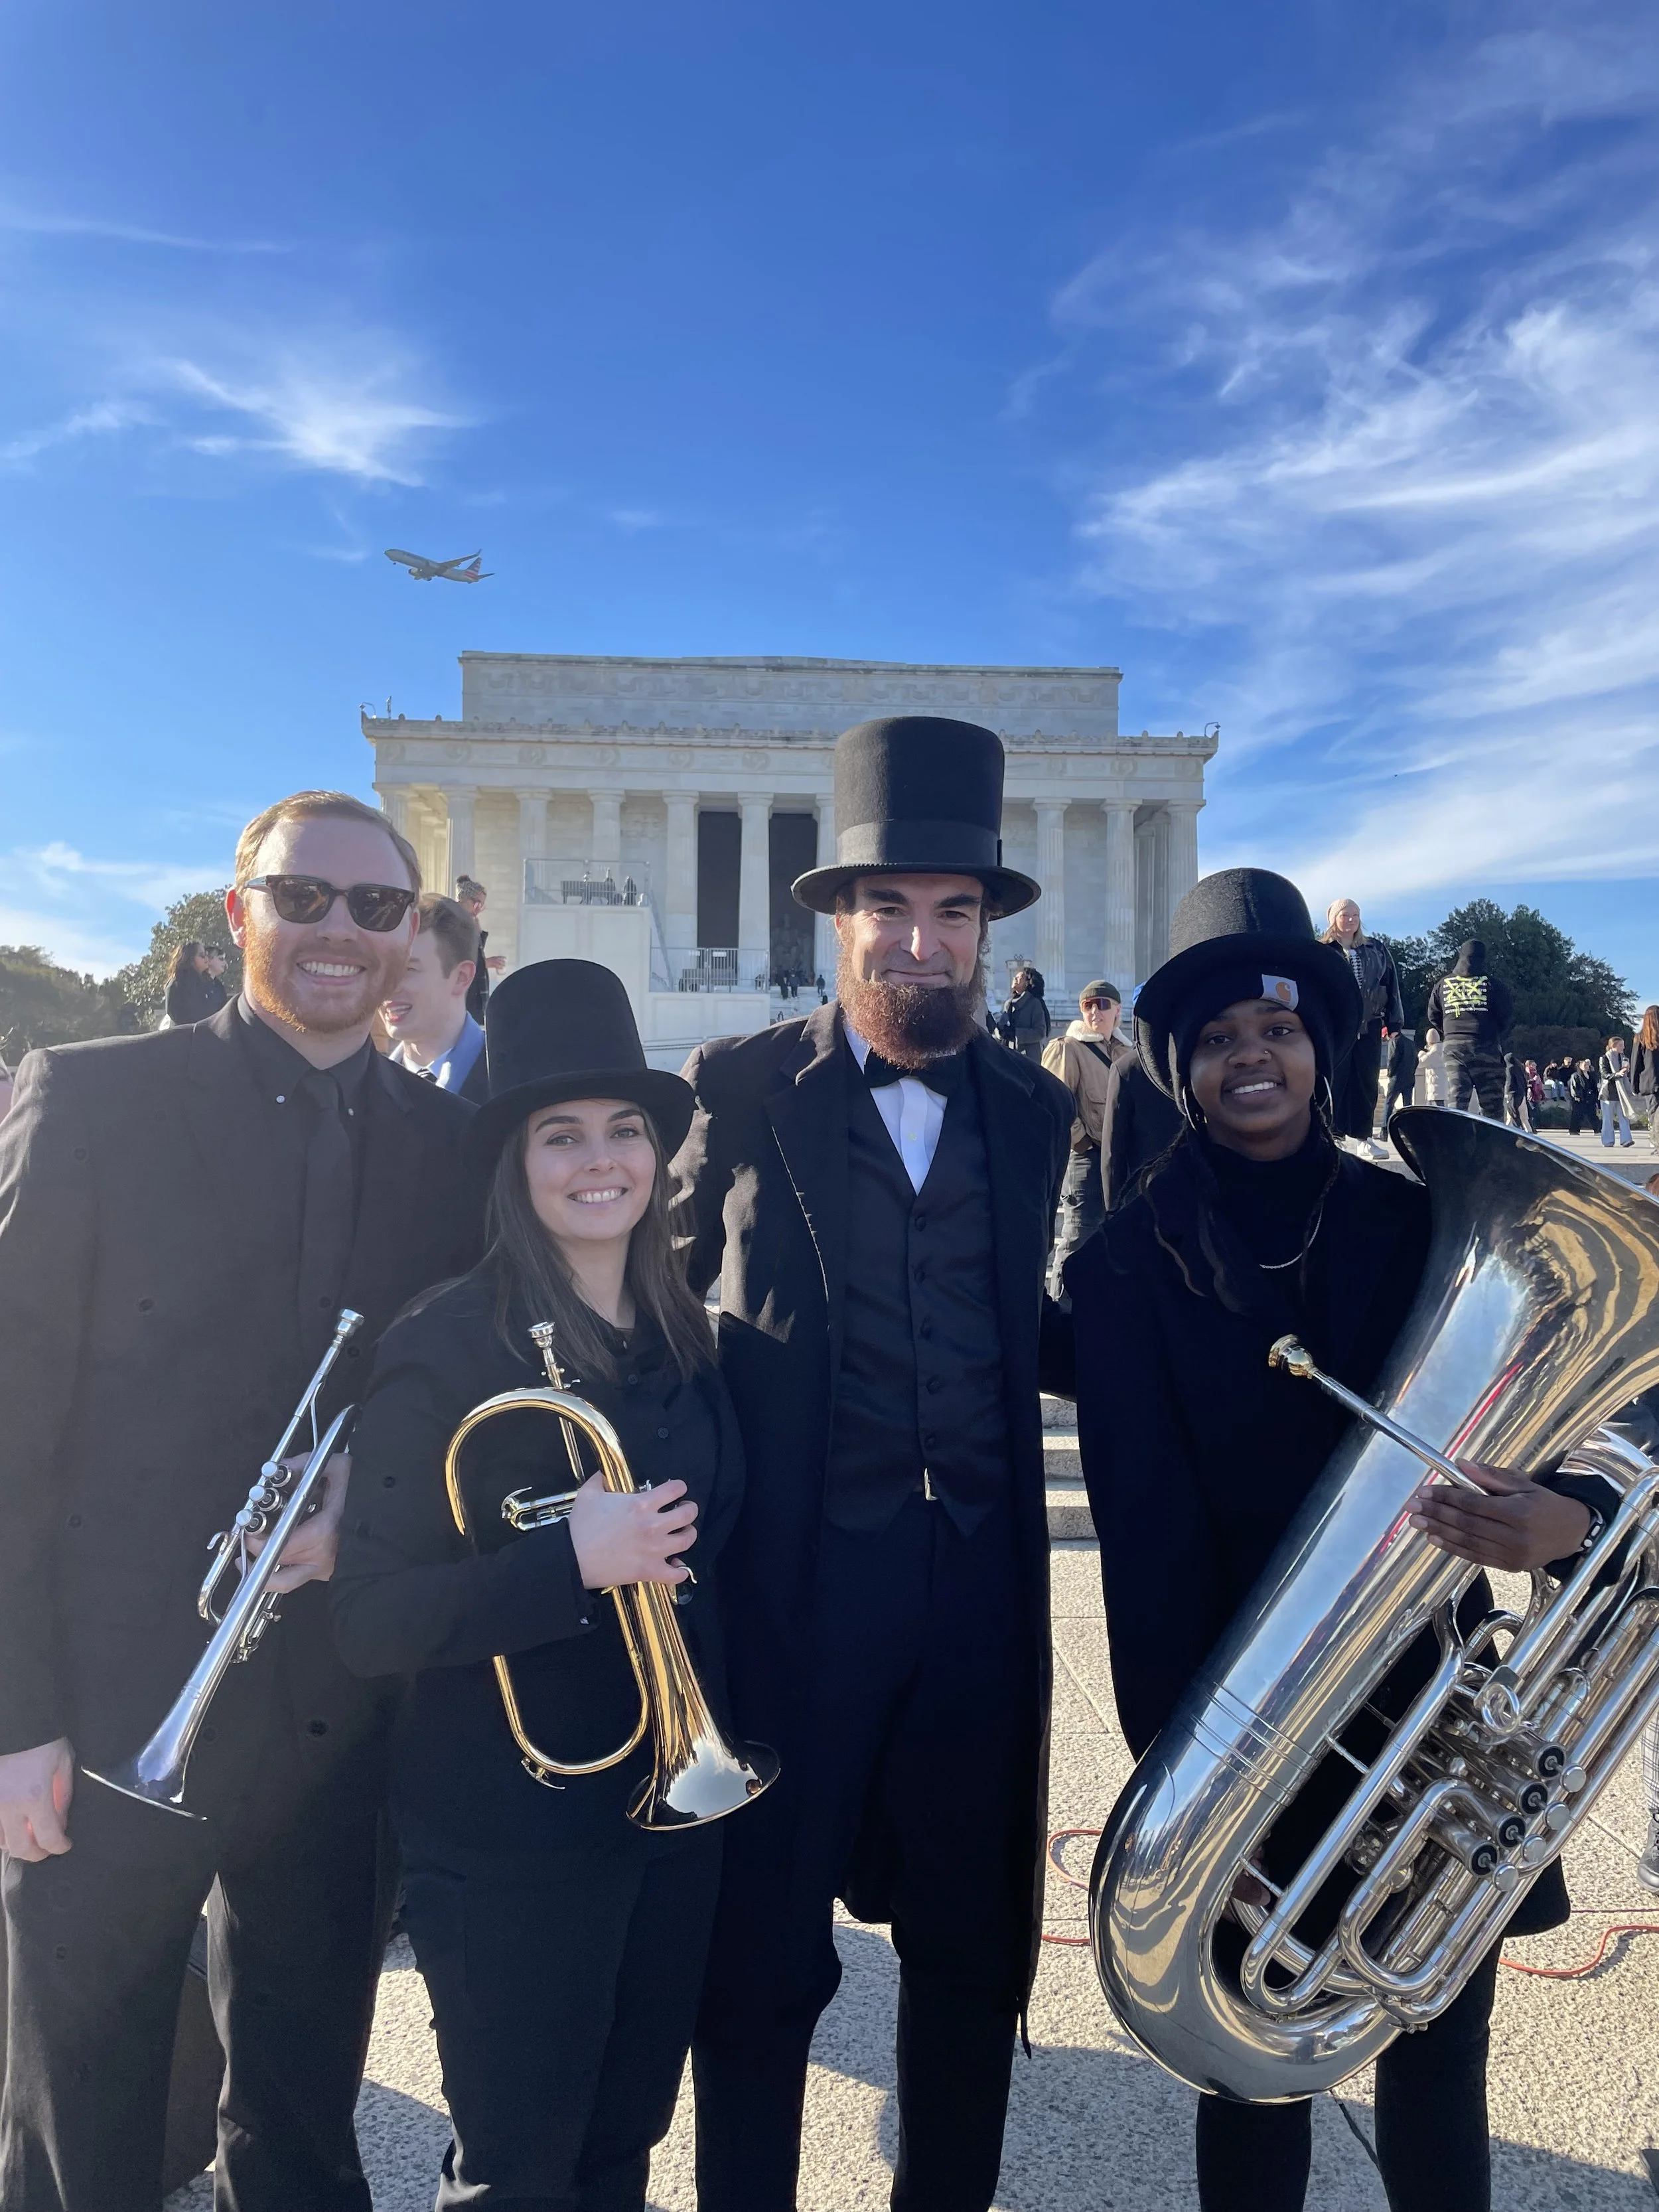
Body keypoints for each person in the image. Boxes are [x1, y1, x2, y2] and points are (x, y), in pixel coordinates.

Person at [1049, 867, 1608, 2212]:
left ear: (1324, 1047)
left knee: (1436, 2055)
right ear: (1181, 1068)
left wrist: (1562, 1520)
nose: (1255, 1058)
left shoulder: (1414, 1219)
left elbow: (1593, 1422)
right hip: (1233, 1720)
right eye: (1221, 1039)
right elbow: (1144, 1550)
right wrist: (1191, 1795)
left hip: (1427, 1705)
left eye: (1279, 1029)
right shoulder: (1124, 1267)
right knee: (1251, 2078)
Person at [0, 790, 482, 2212]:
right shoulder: (90, 1096)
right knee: (81, 2114)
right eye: (306, 895)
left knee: (301, 2101)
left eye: (377, 907)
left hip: (331, 1710)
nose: (340, 928)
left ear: (409, 936)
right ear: (239, 909)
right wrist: (12, 1709)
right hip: (100, 1705)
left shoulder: (449, 1148)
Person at [675, 715, 1072, 2212]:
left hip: (979, 1593)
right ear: (838, 919)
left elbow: (1024, 1313)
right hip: (797, 1593)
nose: (922, 943)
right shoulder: (737, 1083)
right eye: (889, 910)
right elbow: (656, 1298)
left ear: (984, 932)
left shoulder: (1034, 1111)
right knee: (763, 1958)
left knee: (971, 1952)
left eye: (953, 912)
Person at [330, 960, 743, 2212]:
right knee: (516, 2172)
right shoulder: (442, 1345)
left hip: (667, 1822)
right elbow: (368, 1621)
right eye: (560, 1134)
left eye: (625, 1129)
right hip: (507, 1839)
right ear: (513, 1159)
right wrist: (567, 1560)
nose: (600, 1159)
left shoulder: (686, 1339)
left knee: (624, 2144)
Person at [1042, 979, 1131, 1291]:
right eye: (1088, 1006)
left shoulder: (1126, 1051)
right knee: (1078, 1237)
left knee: (1114, 1238)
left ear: (1118, 1010)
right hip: (1086, 1159)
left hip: (1119, 1161)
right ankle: (1062, 1309)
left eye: (1102, 1005)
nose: (1094, 1012)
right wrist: (1081, 1143)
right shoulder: (1068, 1048)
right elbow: (1055, 1103)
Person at [382, 893, 489, 1101]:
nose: (388, 987)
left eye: (407, 969)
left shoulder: (513, 1084)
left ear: (461, 977)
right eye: (384, 969)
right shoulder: (362, 1091)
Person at [1321, 897, 1402, 1149]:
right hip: (1336, 1025)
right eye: (1345, 915)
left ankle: (1363, 1137)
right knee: (1335, 1080)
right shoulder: (1323, 951)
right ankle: (1331, 1134)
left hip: (1370, 1024)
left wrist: (1394, 1021)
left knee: (1367, 1081)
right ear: (1334, 919)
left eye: (1355, 915)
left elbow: (1390, 984)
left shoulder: (1375, 949)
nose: (1351, 920)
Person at [1424, 940, 1512, 1116]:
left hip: (1454, 1048)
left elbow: (1433, 1014)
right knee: (1492, 1105)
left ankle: (1457, 1140)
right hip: (1486, 1045)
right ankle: (1492, 1142)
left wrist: (1449, 1032)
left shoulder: (1443, 984)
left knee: (1457, 1101)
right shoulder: (1493, 985)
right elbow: (1506, 1016)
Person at [1101, 1044, 1185, 1207]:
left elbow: (1113, 1147)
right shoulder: (1198, 1058)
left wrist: (1112, 1206)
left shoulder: (1127, 1067)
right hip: (1198, 1187)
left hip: (1143, 1191)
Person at [455, 875, 507, 1021]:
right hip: (465, 996)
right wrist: (487, 963)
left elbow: (476, 952)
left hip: (474, 994)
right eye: (476, 903)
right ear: (463, 899)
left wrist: (479, 935)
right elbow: (461, 958)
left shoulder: (469, 921)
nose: (479, 909)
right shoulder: (454, 921)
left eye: (482, 905)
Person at [995, 964, 1050, 1061]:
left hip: (1028, 1058)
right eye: (1015, 976)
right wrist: (1000, 1031)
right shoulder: (1009, 1003)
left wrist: (1016, 1034)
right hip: (1009, 1056)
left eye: (1019, 977)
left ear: (1027, 982)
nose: (1015, 978)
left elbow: (1040, 1032)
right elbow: (1001, 1027)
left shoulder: (1035, 1003)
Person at [162, 940, 220, 1027]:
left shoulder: (210, 983)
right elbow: (177, 1016)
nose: (206, 959)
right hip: (186, 1036)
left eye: (206, 955)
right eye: (202, 955)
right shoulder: (177, 984)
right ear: (190, 959)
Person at [1630, 1008, 1659, 1153]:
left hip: (1650, 1082)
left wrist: (1634, 1086)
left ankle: (1656, 1143)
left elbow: (1636, 1063)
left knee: (1653, 1113)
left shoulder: (1641, 1038)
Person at [1600, 1035, 1635, 1148]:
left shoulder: (1623, 1058)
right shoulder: (1604, 1058)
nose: (1623, 1048)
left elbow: (1625, 1074)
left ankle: (1626, 1140)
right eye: (1621, 1045)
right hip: (1608, 1093)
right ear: (1614, 1046)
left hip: (1621, 1092)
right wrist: (1616, 1075)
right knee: (1608, 1119)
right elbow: (1604, 1074)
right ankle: (1608, 1141)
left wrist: (1626, 1071)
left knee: (1624, 1116)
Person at [1380, 1025, 1418, 1127]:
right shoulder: (1411, 1043)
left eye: (1385, 1038)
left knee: (1389, 1103)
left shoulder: (1394, 1042)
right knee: (1408, 1106)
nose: (1386, 1040)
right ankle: (1409, 1129)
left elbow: (1392, 1061)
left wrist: (1390, 1074)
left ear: (1389, 1034)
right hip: (1410, 1078)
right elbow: (1416, 1061)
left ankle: (1384, 1130)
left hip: (1397, 1079)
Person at [1411, 1025, 1446, 1107]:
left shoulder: (1434, 1052)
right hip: (1440, 1089)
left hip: (1436, 1090)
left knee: (1436, 1112)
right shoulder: (1442, 1049)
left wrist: (1421, 1054)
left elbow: (1420, 1063)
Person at [1502, 1051, 1534, 1134]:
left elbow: (1509, 1082)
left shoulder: (1509, 1069)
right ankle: (1529, 1132)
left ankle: (1507, 1133)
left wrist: (1506, 1093)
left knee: (1511, 1114)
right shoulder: (1520, 1069)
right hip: (1521, 1094)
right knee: (1524, 1117)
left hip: (1512, 1094)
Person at [1567, 1056, 1598, 1136]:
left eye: (1588, 1065)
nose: (1587, 1067)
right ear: (1580, 1066)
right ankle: (1574, 1130)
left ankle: (1598, 1130)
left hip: (1589, 1099)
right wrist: (1576, 1096)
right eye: (1585, 1065)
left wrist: (1595, 1097)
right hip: (1579, 1099)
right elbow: (1573, 1087)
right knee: (1577, 1115)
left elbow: (1594, 1087)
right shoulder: (1575, 1076)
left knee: (1593, 1115)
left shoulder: (1591, 1076)